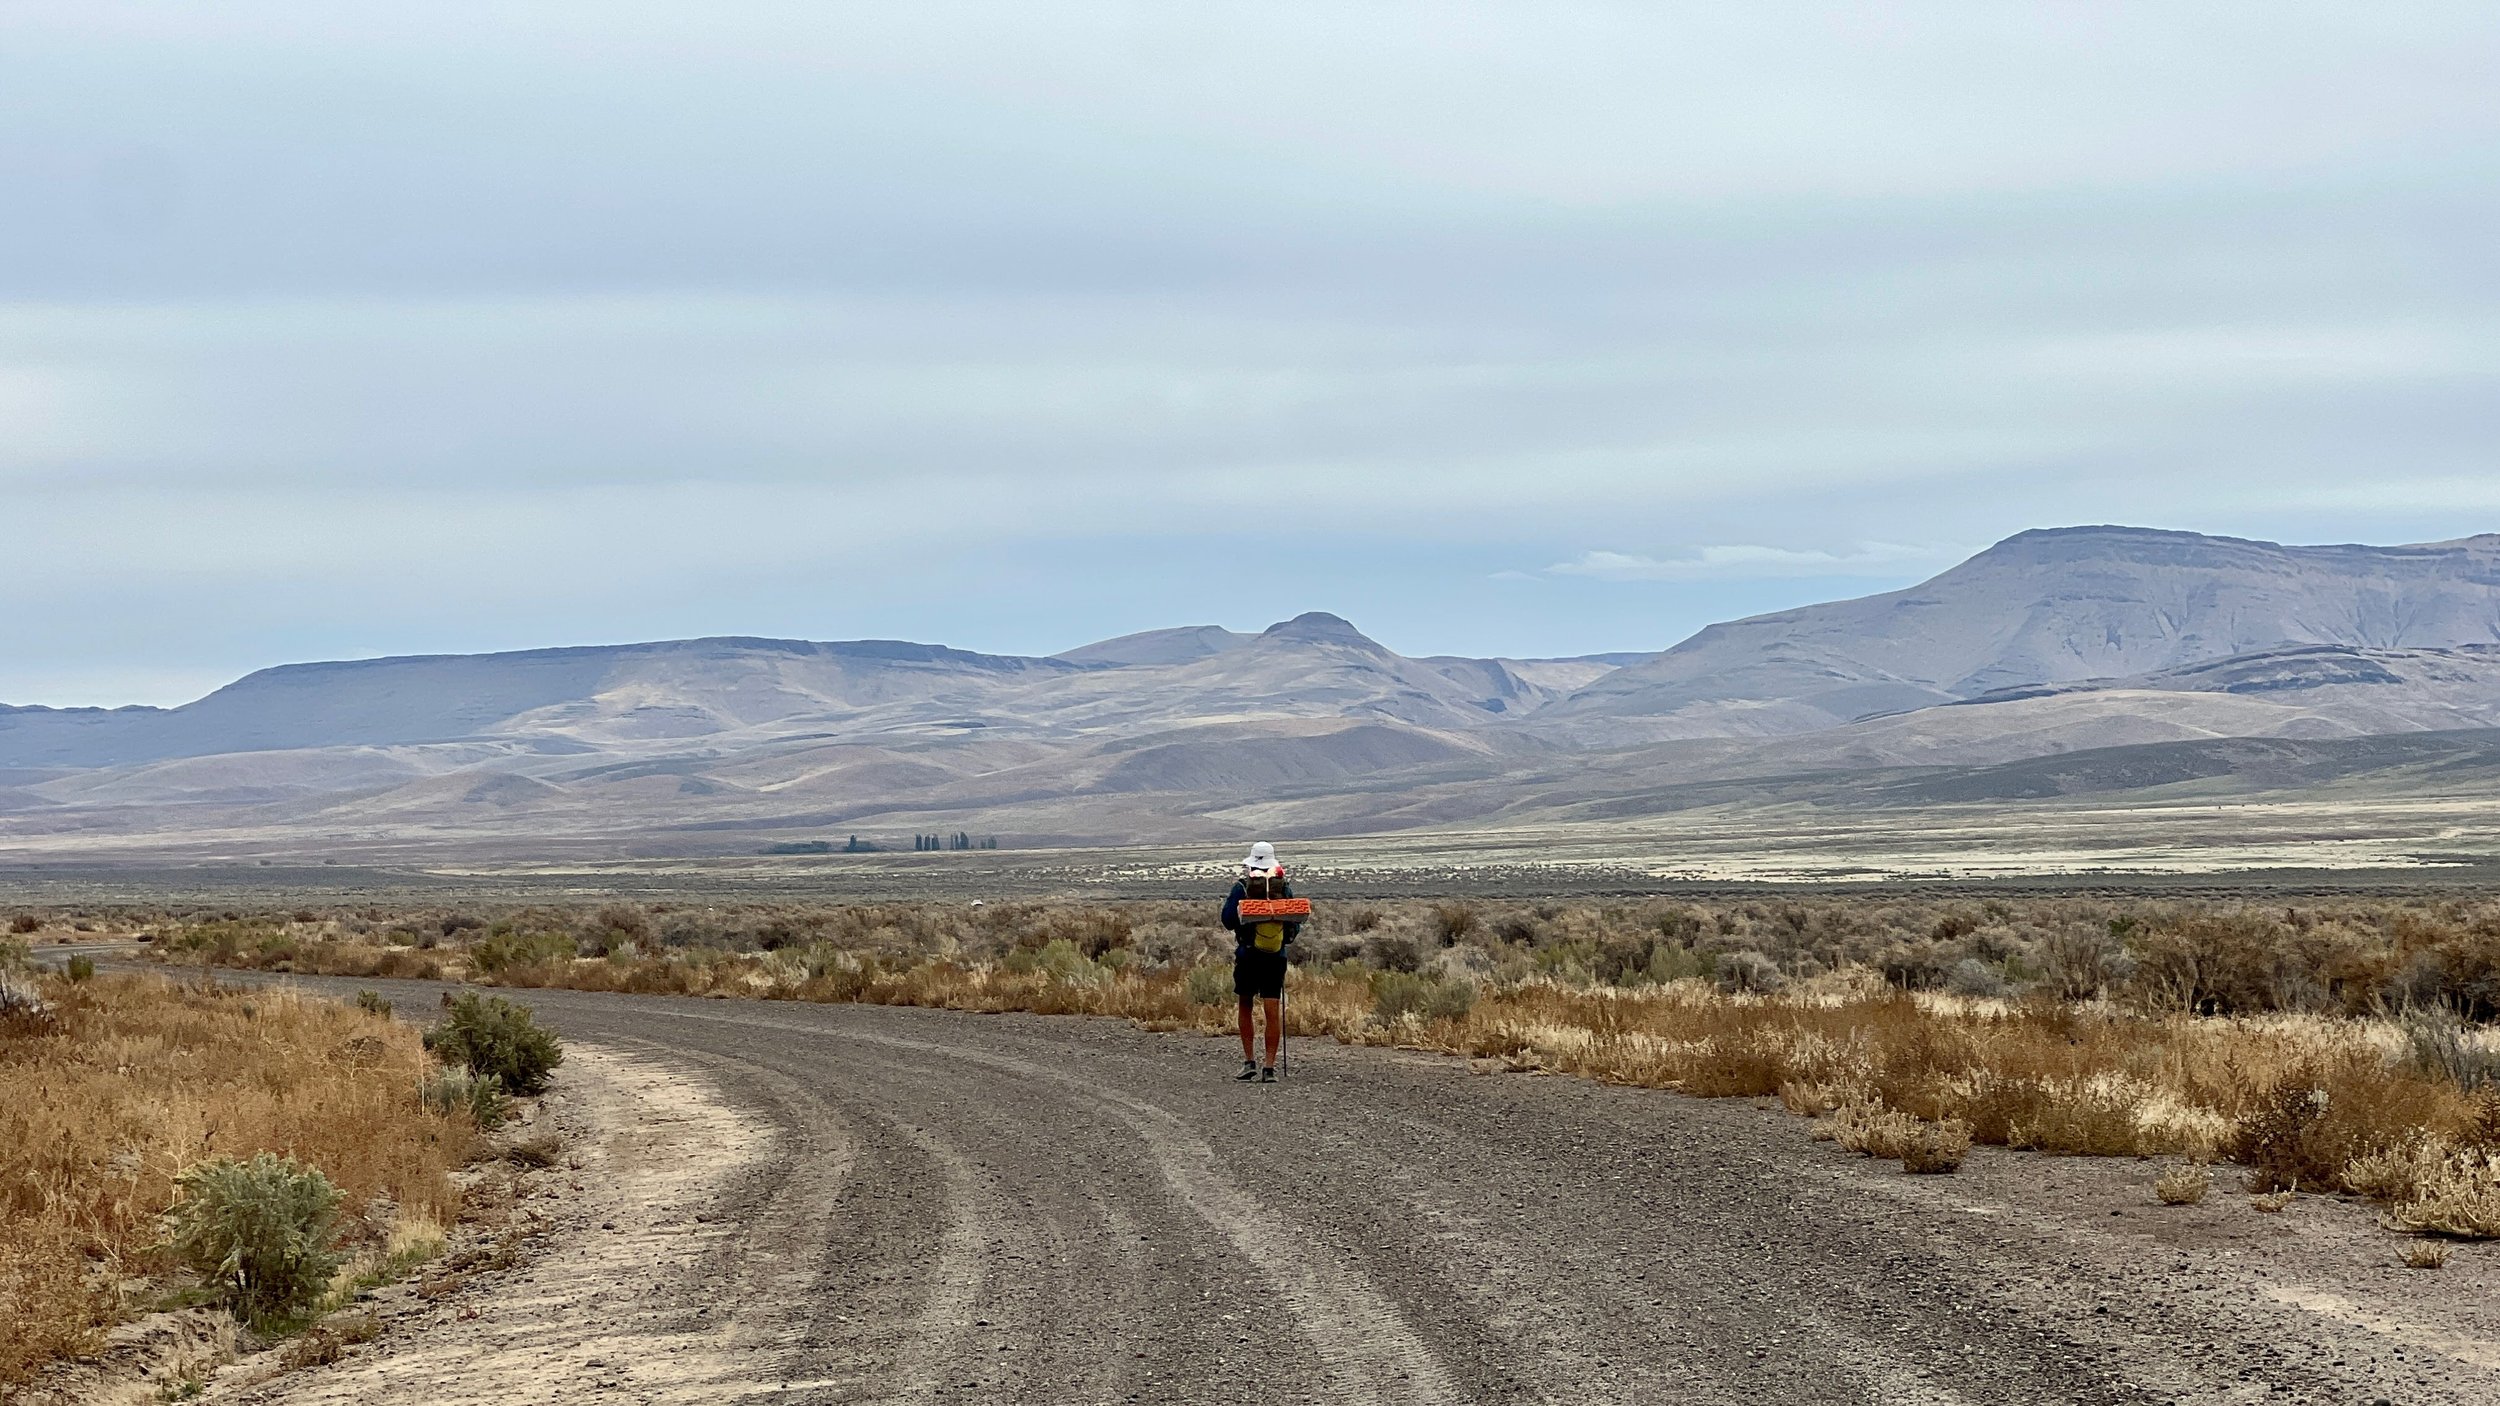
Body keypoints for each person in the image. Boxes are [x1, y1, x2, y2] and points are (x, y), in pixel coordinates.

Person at [1220, 841, 1300, 1083]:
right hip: (1275, 957)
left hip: (1248, 954)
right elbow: (1294, 924)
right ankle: (1270, 1067)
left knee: (1245, 1005)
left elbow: (1228, 920)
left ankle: (1249, 1062)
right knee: (1271, 1009)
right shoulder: (1284, 888)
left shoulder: (1241, 888)